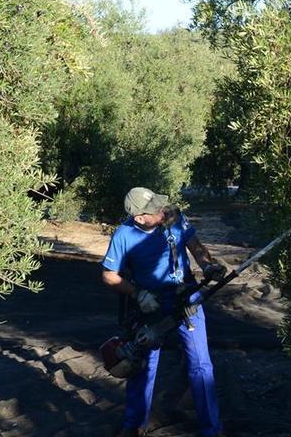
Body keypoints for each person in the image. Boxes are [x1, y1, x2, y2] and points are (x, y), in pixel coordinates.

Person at [101, 187, 226, 437]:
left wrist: (209, 265)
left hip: (187, 299)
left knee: (201, 365)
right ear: (139, 218)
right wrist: (137, 294)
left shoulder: (174, 218)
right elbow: (108, 275)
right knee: (143, 366)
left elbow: (196, 246)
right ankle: (134, 426)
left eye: (160, 204)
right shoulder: (123, 235)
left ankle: (211, 430)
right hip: (150, 307)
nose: (162, 210)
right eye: (154, 209)